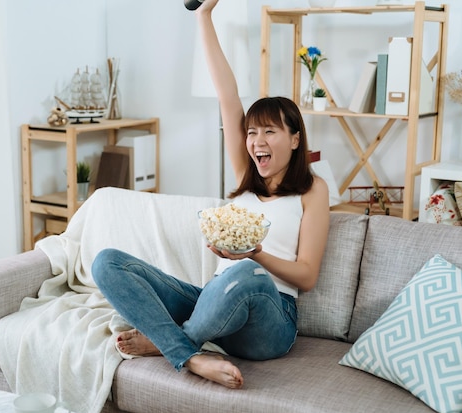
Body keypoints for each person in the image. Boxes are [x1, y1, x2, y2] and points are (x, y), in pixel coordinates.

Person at [91, 0, 330, 389]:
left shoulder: (313, 189)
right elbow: (227, 93)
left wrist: (256, 254)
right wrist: (203, 15)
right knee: (107, 262)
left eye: (270, 131)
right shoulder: (245, 174)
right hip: (216, 303)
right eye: (252, 132)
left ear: (295, 138)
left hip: (271, 318)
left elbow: (307, 275)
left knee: (246, 271)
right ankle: (190, 353)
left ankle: (170, 343)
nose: (257, 141)